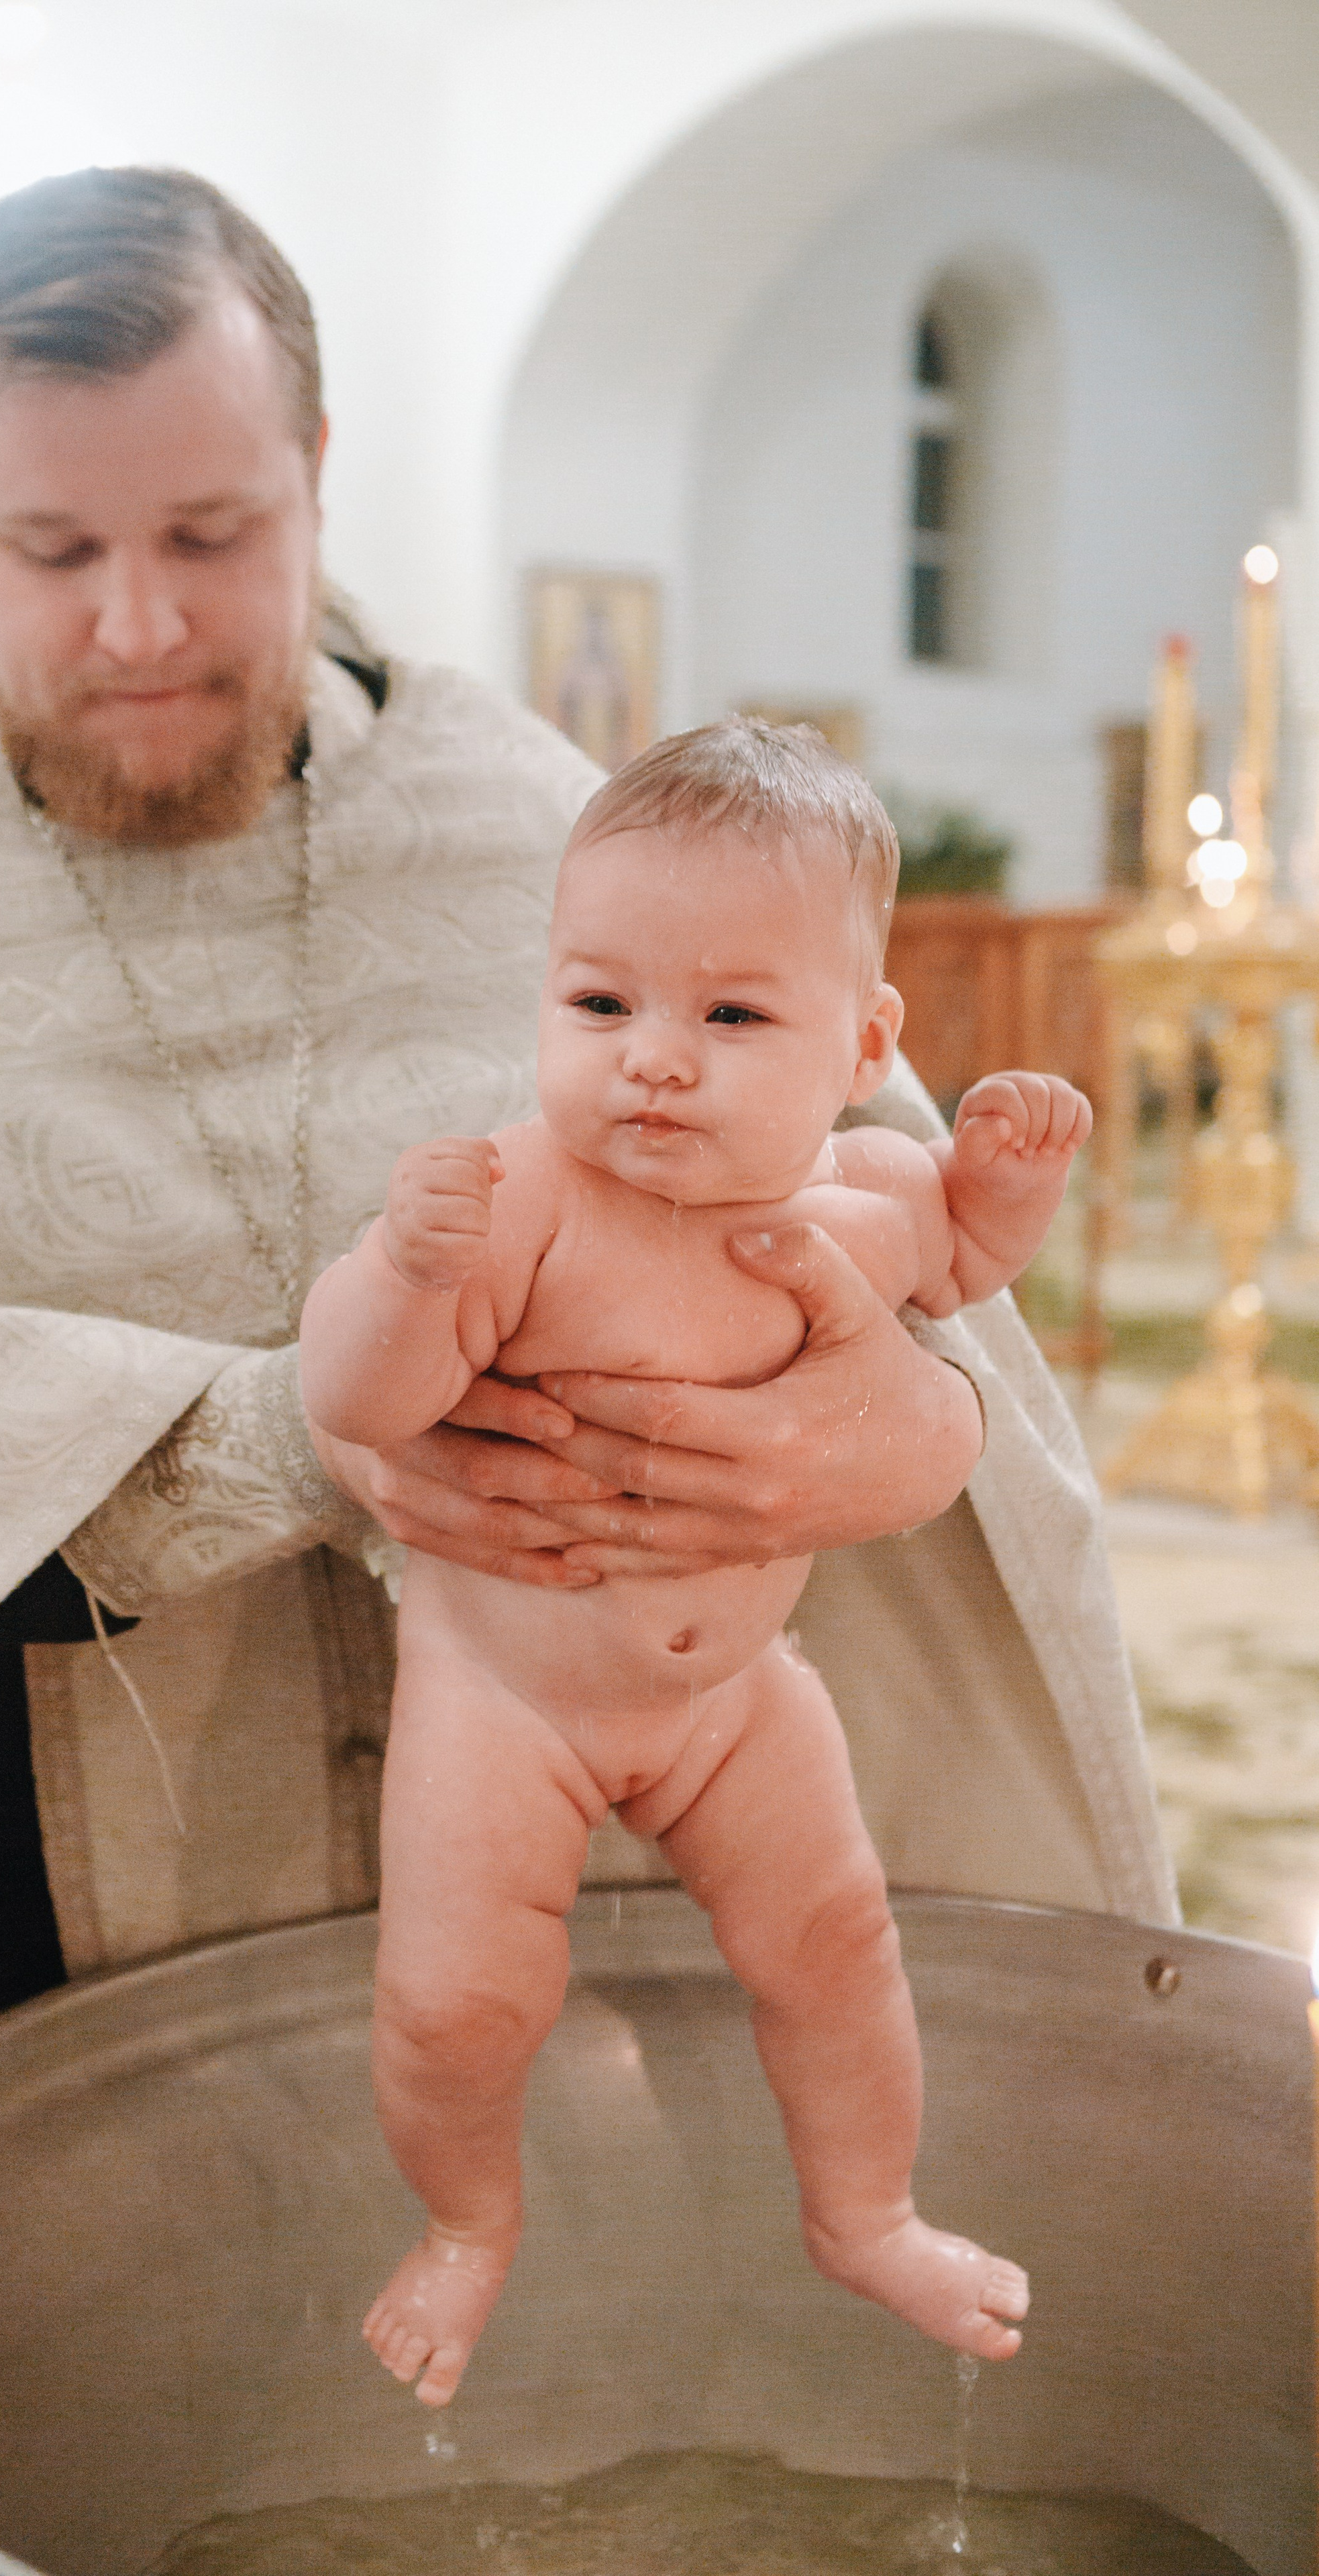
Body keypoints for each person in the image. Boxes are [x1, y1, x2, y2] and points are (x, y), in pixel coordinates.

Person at [0, 167, 1170, 2572]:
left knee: (610, 2436)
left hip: (631, 1790)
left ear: (319, 473)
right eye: (50, 550)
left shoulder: (527, 820)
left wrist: (899, 1416)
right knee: (100, 2450)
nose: (140, 622)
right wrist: (259, 1435)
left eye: (214, 533)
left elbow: (899, 1234)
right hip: (40, 1854)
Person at [302, 718, 1092, 2404]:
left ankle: (866, 2215)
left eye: (729, 1018)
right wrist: (399, 1275)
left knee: (836, 1943)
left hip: (735, 1697)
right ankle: (464, 2227)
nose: (653, 1062)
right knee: (457, 2004)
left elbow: (960, 1269)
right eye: (601, 1005)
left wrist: (1004, 1186)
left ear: (861, 1043)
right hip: (506, 1696)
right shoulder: (523, 1199)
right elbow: (363, 1409)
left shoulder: (872, 1192)